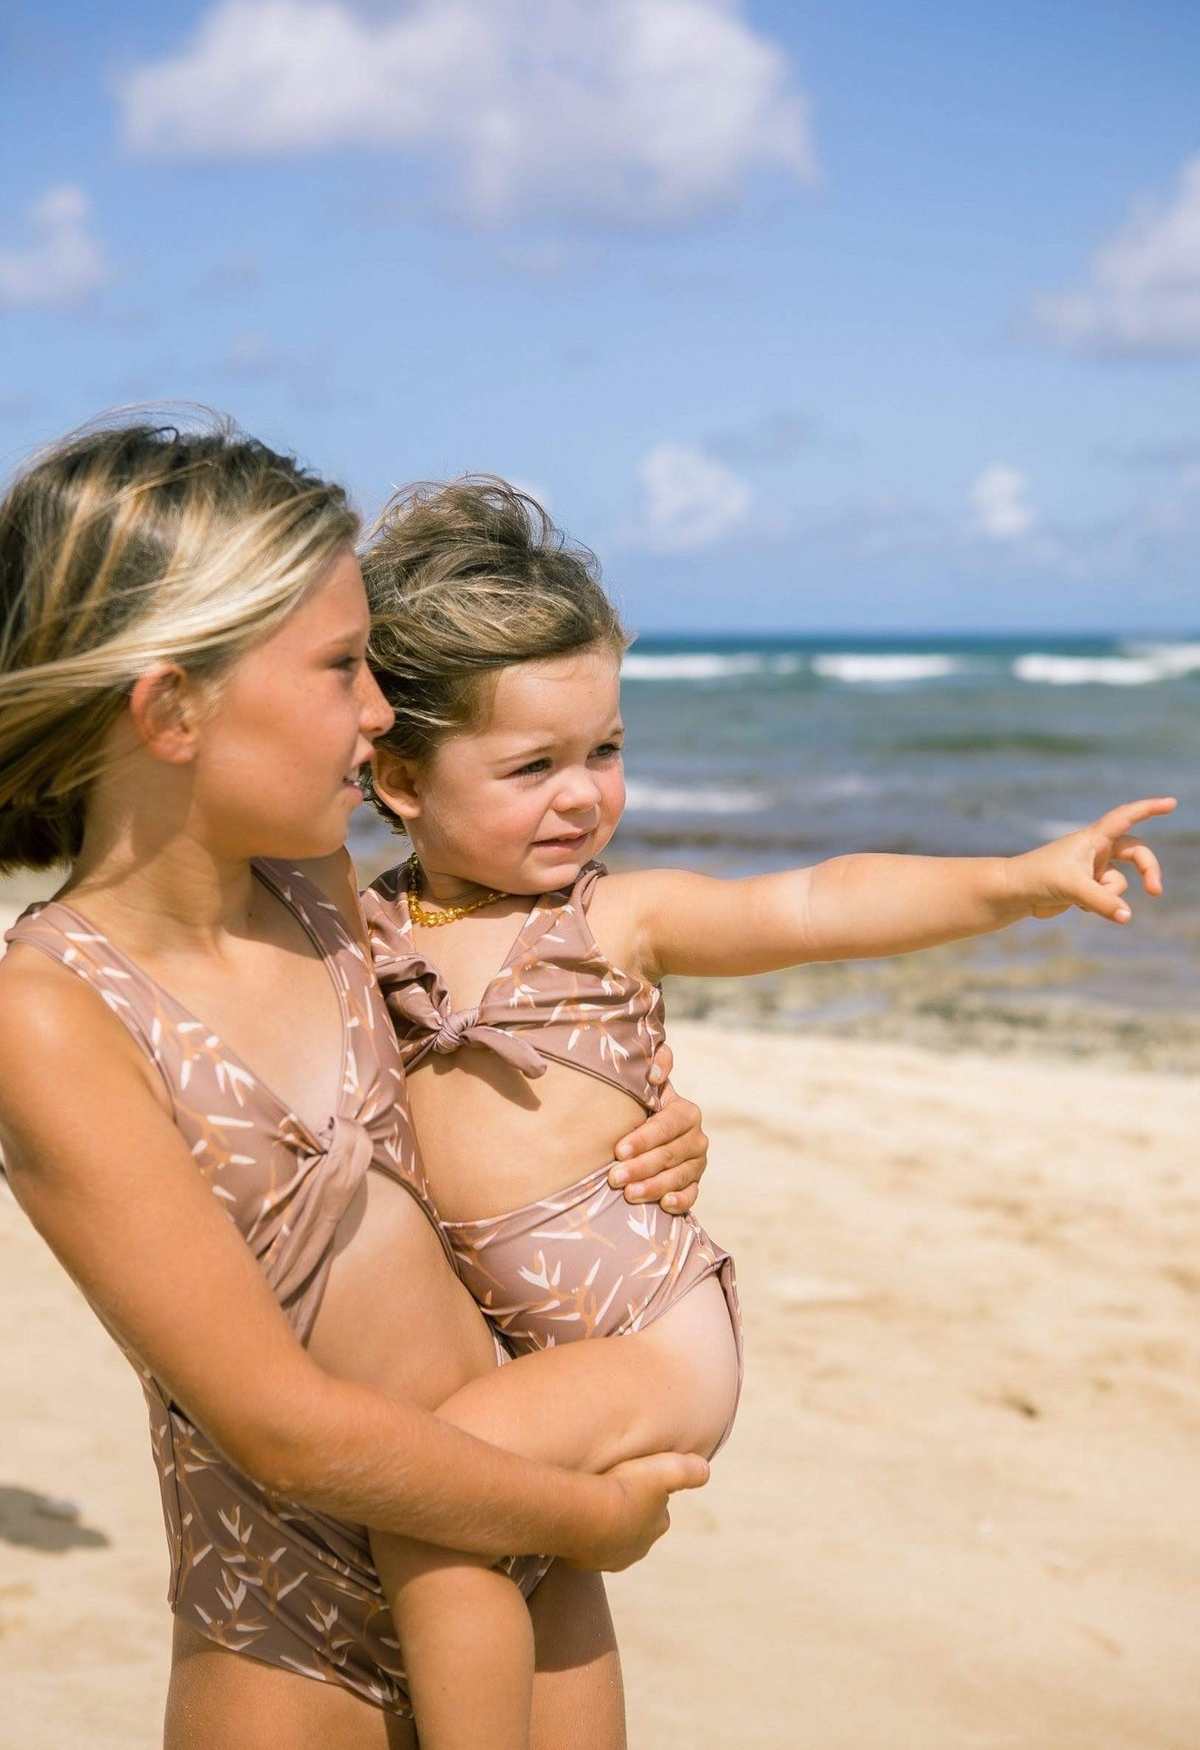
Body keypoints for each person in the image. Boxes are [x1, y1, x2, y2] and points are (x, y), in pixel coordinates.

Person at [352, 474, 1175, 1750]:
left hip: (649, 1336)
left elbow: (814, 902)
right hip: (524, 1345)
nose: (583, 794)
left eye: (605, 751)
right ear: (401, 777)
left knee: (436, 1486)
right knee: (533, 1567)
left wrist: (1020, 879)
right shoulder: (361, 928)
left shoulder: (614, 919)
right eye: (533, 765)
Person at [0, 419, 713, 1750]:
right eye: (343, 668)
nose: (383, 712)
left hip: (515, 1575)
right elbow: (280, 1427)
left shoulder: (325, 898)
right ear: (170, 709)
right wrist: (589, 1516)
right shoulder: (53, 1013)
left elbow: (486, 1080)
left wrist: (630, 1121)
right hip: (295, 1633)